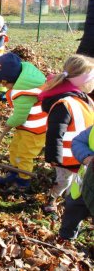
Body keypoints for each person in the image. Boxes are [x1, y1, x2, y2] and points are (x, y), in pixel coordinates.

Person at [38, 55, 94, 213]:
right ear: (83, 81)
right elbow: (55, 133)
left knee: (77, 182)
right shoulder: (65, 104)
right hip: (66, 157)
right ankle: (52, 200)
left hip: (83, 155)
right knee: (63, 180)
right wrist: (53, 158)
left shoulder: (85, 100)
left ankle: (70, 201)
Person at [0, 52, 48, 191]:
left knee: (24, 154)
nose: (5, 88)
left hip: (35, 130)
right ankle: (13, 171)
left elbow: (20, 117)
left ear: (7, 81)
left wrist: (9, 123)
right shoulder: (25, 76)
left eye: (5, 85)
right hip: (25, 127)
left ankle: (23, 181)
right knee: (15, 148)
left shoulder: (23, 93)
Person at [58, 126, 93, 240]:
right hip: (82, 187)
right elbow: (78, 142)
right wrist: (87, 156)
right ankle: (66, 238)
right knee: (73, 211)